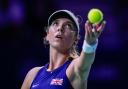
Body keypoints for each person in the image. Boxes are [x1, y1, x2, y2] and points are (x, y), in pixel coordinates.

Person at [21, 10, 106, 89]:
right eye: (55, 23)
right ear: (47, 34)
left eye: (68, 25)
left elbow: (86, 61)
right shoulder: (33, 74)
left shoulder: (74, 69)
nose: (60, 28)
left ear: (75, 39)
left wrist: (90, 43)